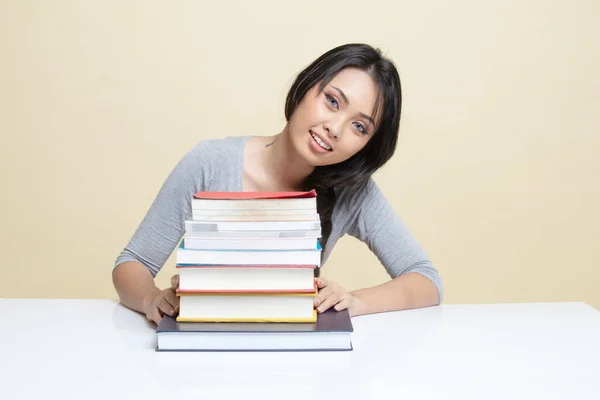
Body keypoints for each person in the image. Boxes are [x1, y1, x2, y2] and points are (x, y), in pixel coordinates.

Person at [112, 43, 443, 325]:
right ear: (306, 86)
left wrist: (354, 301)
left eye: (359, 126)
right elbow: (133, 263)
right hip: (203, 344)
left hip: (294, 353)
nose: (335, 128)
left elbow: (425, 279)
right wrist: (150, 300)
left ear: (368, 145)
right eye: (332, 101)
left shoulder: (353, 192)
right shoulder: (210, 162)